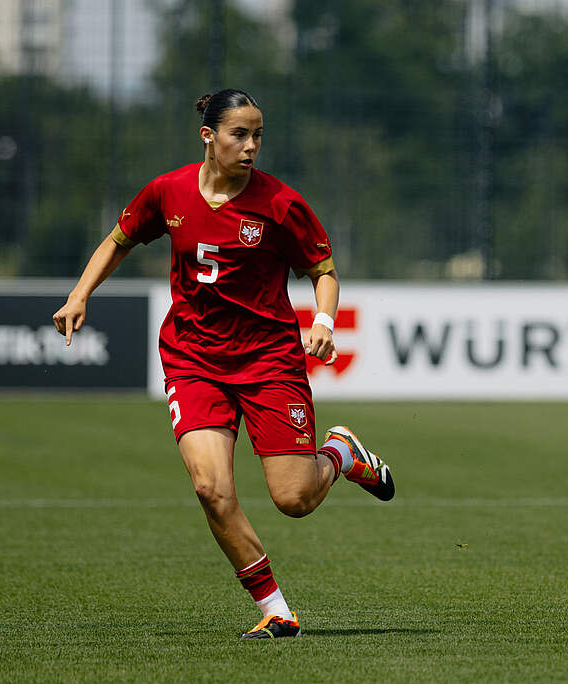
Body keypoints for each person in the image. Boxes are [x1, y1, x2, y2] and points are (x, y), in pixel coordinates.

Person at [52, 89, 395, 638]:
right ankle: (277, 610)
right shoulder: (168, 191)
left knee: (294, 499)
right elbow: (120, 240)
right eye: (240, 134)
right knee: (211, 488)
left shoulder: (281, 203)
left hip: (268, 361)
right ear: (208, 136)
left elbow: (323, 272)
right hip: (192, 358)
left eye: (258, 135)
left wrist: (324, 322)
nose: (252, 145)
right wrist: (79, 294)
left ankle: (340, 453)